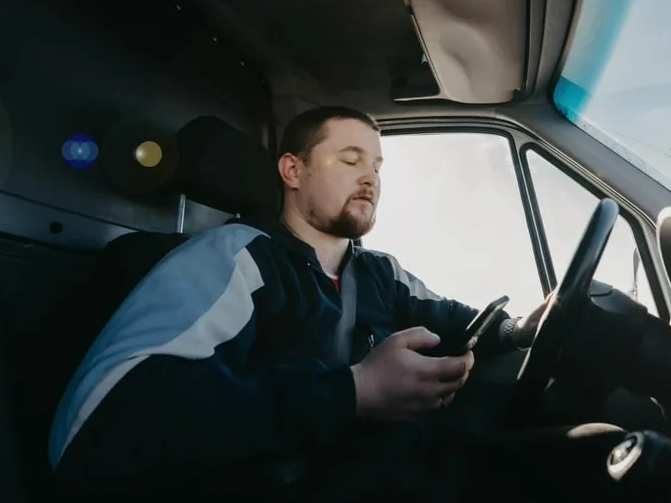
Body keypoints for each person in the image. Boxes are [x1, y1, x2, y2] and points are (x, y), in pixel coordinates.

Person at [47, 106, 629, 499]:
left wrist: (516, 329)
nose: (371, 177)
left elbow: (457, 320)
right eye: (350, 160)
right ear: (293, 170)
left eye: (377, 165)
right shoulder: (235, 256)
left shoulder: (380, 272)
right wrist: (354, 392)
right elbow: (106, 417)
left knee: (609, 457)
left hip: (392, 473)